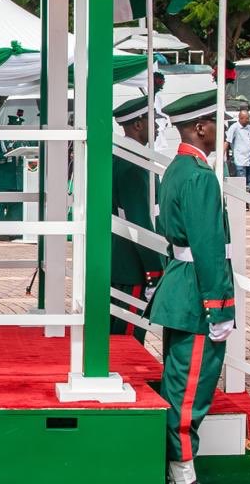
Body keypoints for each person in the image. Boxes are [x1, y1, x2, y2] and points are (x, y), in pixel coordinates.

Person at [148, 90, 235, 484]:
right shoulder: (200, 178)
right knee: (188, 393)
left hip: (180, 290)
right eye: (216, 123)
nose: (222, 130)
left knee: (178, 381)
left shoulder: (177, 170)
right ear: (200, 128)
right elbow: (209, 249)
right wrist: (220, 308)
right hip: (198, 297)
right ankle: (181, 469)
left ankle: (178, 465)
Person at [110, 98, 165, 344]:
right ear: (139, 125)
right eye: (153, 120)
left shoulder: (124, 155)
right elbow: (139, 221)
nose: (159, 126)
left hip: (123, 261)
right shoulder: (133, 162)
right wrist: (154, 270)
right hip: (133, 266)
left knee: (118, 334)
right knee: (128, 340)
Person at [0, 111, 27, 231]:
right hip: (3, 178)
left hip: (18, 179)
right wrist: (6, 153)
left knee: (17, 207)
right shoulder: (0, 139)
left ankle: (13, 231)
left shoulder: (24, 139)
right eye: (15, 127)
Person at [223, 109, 250, 193]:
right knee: (241, 181)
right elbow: (227, 141)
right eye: (246, 118)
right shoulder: (234, 127)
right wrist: (222, 155)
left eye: (249, 118)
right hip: (240, 159)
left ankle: (247, 199)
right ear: (240, 118)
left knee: (249, 181)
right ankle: (242, 201)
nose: (248, 120)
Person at [153, 71, 172, 155]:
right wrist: (165, 118)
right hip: (156, 126)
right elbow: (154, 112)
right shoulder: (152, 95)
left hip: (160, 126)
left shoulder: (158, 96)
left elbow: (159, 111)